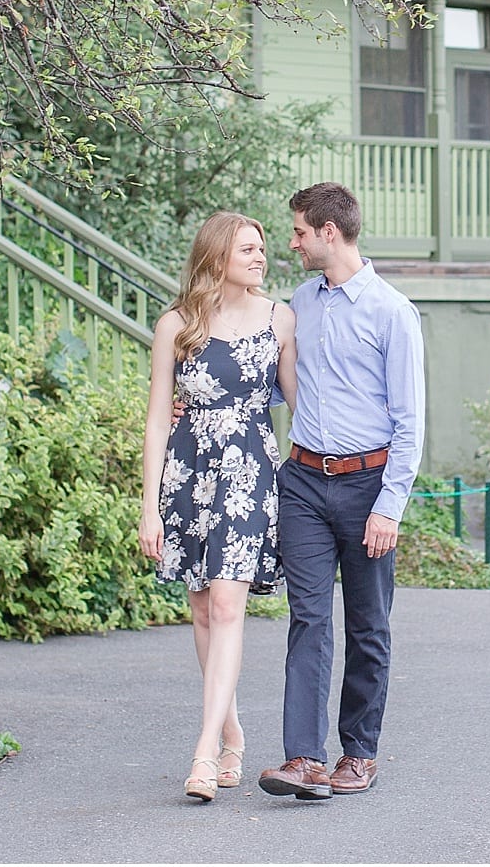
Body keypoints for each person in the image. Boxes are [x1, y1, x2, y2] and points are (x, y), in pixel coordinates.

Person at [257, 182, 424, 800]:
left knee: (367, 626)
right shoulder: (301, 302)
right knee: (307, 618)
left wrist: (390, 505)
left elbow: (411, 421)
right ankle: (303, 757)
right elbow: (278, 382)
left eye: (299, 231)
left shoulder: (391, 312)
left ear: (330, 233)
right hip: (302, 480)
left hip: (367, 487)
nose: (292, 242)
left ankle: (359, 753)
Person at [140, 212, 296, 803]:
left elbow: (300, 402)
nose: (260, 257)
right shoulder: (177, 324)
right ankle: (231, 731)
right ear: (216, 256)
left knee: (229, 604)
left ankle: (204, 751)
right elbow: (157, 419)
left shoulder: (280, 318)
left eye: (262, 248)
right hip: (187, 475)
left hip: (248, 473)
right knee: (203, 610)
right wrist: (148, 506)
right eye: (248, 249)